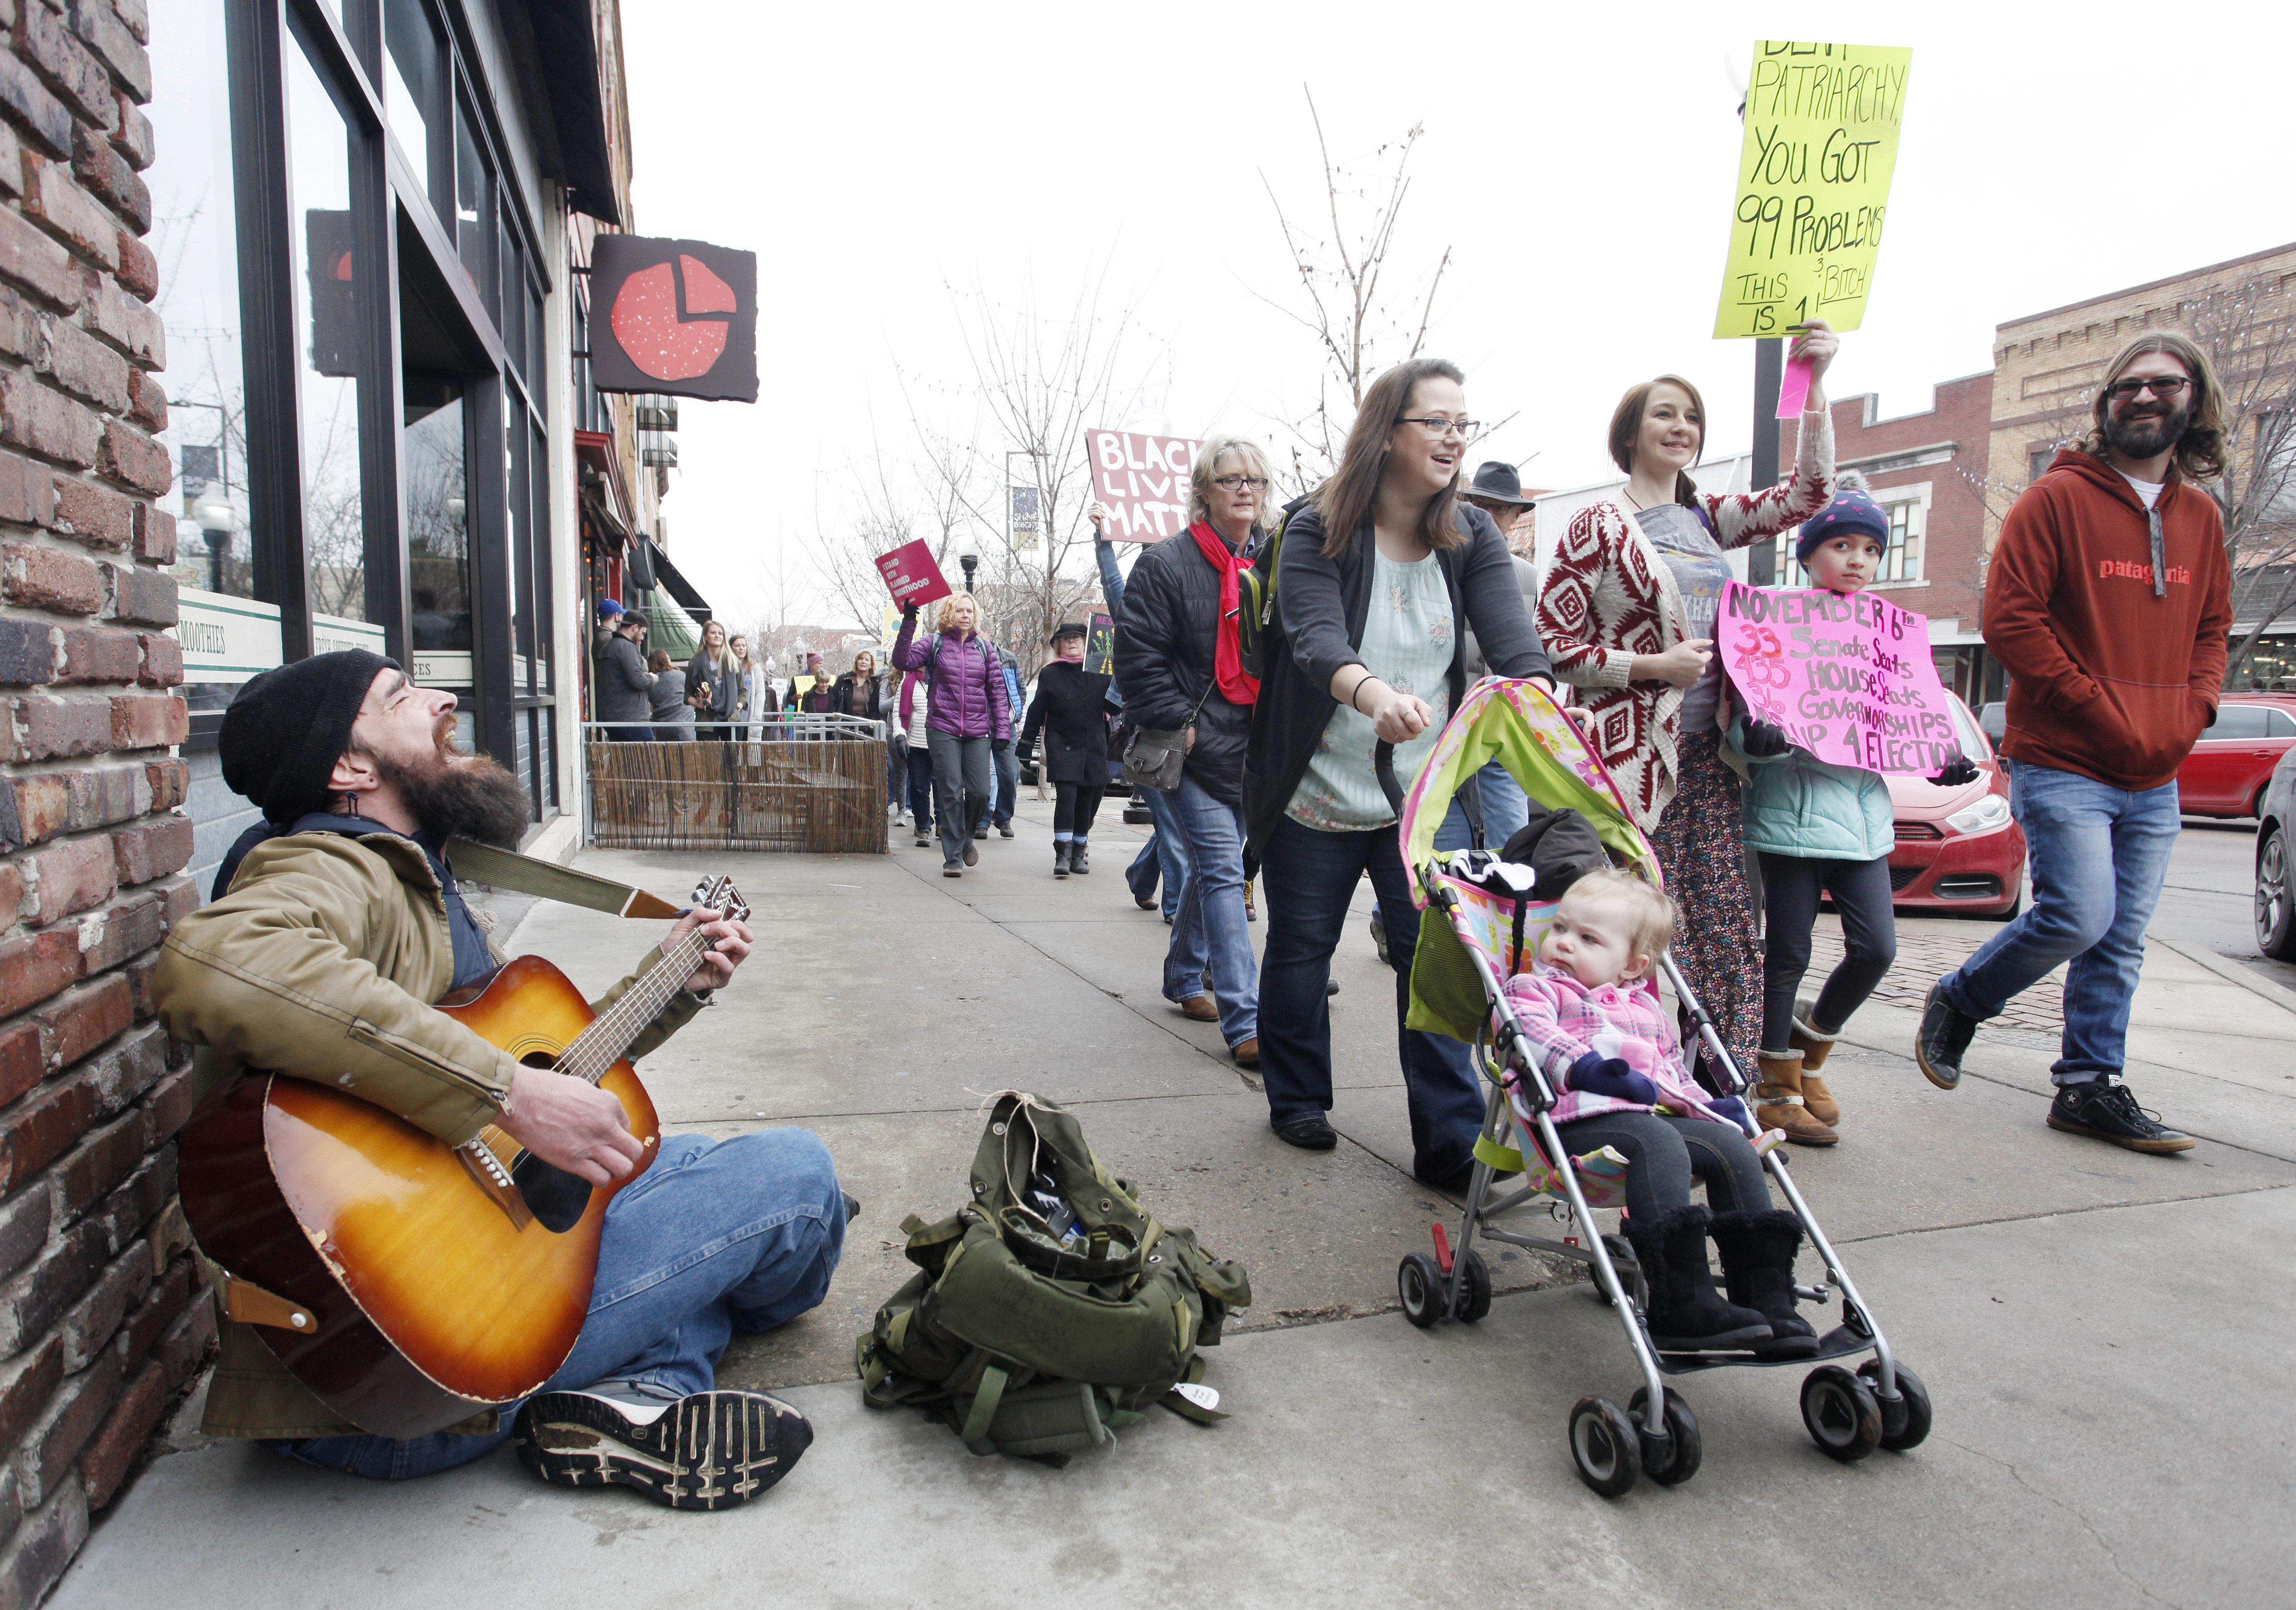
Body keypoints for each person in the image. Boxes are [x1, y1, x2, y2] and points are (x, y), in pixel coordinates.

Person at [153, 650, 842, 1507]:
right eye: (401, 697)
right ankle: (653, 1376)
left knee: (664, 1158)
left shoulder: (416, 871)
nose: (444, 698)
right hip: (401, 1377)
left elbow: (547, 1064)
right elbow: (214, 964)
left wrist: (673, 981)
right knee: (797, 1177)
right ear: (350, 768)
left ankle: (639, 1394)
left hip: (404, 1340)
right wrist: (508, 1095)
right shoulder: (333, 867)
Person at [1917, 332, 2234, 1154]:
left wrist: (2195, 709)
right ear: (2105, 403)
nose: (2142, 396)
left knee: (2120, 937)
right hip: (2064, 758)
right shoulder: (2053, 500)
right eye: (2126, 385)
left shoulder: (2201, 517)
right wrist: (2093, 704)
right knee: (2078, 916)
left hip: (2155, 769)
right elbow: (2009, 620)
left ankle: (2088, 1085)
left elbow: (2211, 629)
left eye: (2163, 384)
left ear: (2193, 400)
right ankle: (1962, 996)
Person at [1243, 358, 1553, 1183]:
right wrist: (1372, 694)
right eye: (1435, 422)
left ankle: (1448, 1139)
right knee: (1302, 947)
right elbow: (1313, 638)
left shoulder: (1472, 533)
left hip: (1422, 791)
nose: (1453, 439)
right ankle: (1296, 1097)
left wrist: (1544, 702)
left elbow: (1513, 644)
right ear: (1387, 432)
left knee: (1433, 955)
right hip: (1315, 787)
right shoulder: (1315, 527)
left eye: (1462, 424)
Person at [1535, 323, 1840, 1091]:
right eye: (1664, 414)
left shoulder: (1708, 517)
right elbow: (1552, 643)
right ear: (1629, 433)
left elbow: (1808, 496)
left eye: (1692, 417)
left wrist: (1814, 381)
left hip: (1707, 758)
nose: (1680, 427)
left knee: (1726, 933)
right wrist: (1650, 667)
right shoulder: (1597, 526)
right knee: (1621, 930)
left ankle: (1721, 1092)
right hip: (1625, 765)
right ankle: (1614, 1080)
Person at [1730, 479, 1978, 1145]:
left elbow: (1907, 714)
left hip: (1863, 821)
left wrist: (1939, 757)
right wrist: (1752, 739)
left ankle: (1809, 1052)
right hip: (1789, 815)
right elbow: (1742, 714)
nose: (1857, 560)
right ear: (1808, 553)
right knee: (1787, 952)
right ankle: (1774, 1084)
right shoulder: (1774, 620)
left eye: (1871, 549)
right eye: (1841, 545)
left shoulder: (1887, 633)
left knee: (1876, 949)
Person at [1497, 870, 1809, 1356]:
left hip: (1650, 1121)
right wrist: (1586, 1068)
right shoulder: (1535, 989)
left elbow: (1672, 1074)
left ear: (1632, 965)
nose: (1563, 943)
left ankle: (1766, 1297)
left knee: (1732, 1149)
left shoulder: (1646, 1009)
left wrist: (1709, 1109)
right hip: (1576, 1122)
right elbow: (1532, 1035)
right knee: (1657, 1140)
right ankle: (1680, 1301)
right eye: (1559, 928)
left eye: (1588, 938)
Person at [1117, 434, 1275, 1068]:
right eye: (1230, 479)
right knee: (1224, 871)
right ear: (1204, 491)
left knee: (1218, 869)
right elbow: (1137, 658)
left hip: (1256, 747)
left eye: (1254, 480)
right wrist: (1179, 723)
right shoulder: (1164, 563)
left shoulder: (1275, 559)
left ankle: (1184, 974)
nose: (1245, 490)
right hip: (1194, 746)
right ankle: (1246, 1019)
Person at [1095, 505, 1192, 922]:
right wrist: (1103, 537)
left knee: (1180, 827)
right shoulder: (1135, 609)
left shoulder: (1198, 607)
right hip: (1151, 736)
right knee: (1173, 827)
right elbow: (1112, 581)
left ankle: (1141, 875)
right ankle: (1175, 906)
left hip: (1195, 734)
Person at [893, 592, 1011, 876]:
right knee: (951, 791)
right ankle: (954, 857)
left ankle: (966, 837)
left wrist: (1003, 730)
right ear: (949, 614)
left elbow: (997, 691)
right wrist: (909, 621)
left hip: (978, 730)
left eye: (969, 611)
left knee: (981, 792)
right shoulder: (934, 643)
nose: (965, 616)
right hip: (942, 728)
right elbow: (902, 660)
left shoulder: (984, 648)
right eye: (959, 610)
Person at [1019, 622, 1114, 878]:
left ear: (1086, 643)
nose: (1071, 642)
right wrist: (1026, 744)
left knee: (1086, 800)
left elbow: (1114, 708)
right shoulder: (1051, 673)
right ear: (1058, 645)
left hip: (1094, 744)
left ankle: (1078, 853)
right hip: (1062, 744)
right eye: (1066, 639)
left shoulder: (1101, 670)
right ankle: (1063, 854)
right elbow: (1037, 710)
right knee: (1067, 797)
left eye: (1077, 638)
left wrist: (1121, 684)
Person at [593, 604, 654, 742]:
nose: (642, 638)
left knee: (623, 756)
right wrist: (651, 679)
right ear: (635, 628)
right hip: (632, 719)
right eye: (643, 633)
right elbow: (637, 680)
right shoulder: (627, 648)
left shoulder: (608, 647)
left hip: (613, 718)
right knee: (646, 754)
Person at [897, 666, 935, 846]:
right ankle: (923, 827)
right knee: (920, 788)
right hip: (916, 743)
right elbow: (898, 712)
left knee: (943, 787)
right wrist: (900, 737)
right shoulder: (907, 682)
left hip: (942, 742)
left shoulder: (944, 675)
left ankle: (943, 824)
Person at [991, 652, 1026, 838]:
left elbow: (1020, 690)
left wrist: (1015, 715)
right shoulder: (970, 653)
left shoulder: (1008, 658)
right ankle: (981, 821)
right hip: (978, 723)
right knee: (982, 778)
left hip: (1006, 724)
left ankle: (1004, 818)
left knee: (1010, 773)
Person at [685, 620, 738, 741]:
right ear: (705, 637)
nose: (717, 636)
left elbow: (742, 691)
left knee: (732, 754)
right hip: (706, 721)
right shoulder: (695, 663)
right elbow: (687, 695)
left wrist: (738, 707)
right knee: (707, 754)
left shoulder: (733, 662)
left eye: (720, 633)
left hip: (730, 719)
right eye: (713, 633)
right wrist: (700, 704)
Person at [645, 649, 693, 740]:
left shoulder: (650, 682)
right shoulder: (680, 675)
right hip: (684, 725)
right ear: (666, 661)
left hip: (662, 728)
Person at [727, 633, 767, 739]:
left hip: (750, 718)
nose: (741, 649)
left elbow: (760, 693)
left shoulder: (754, 668)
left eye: (744, 646)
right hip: (732, 717)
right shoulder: (727, 667)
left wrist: (757, 717)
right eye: (737, 646)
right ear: (731, 648)